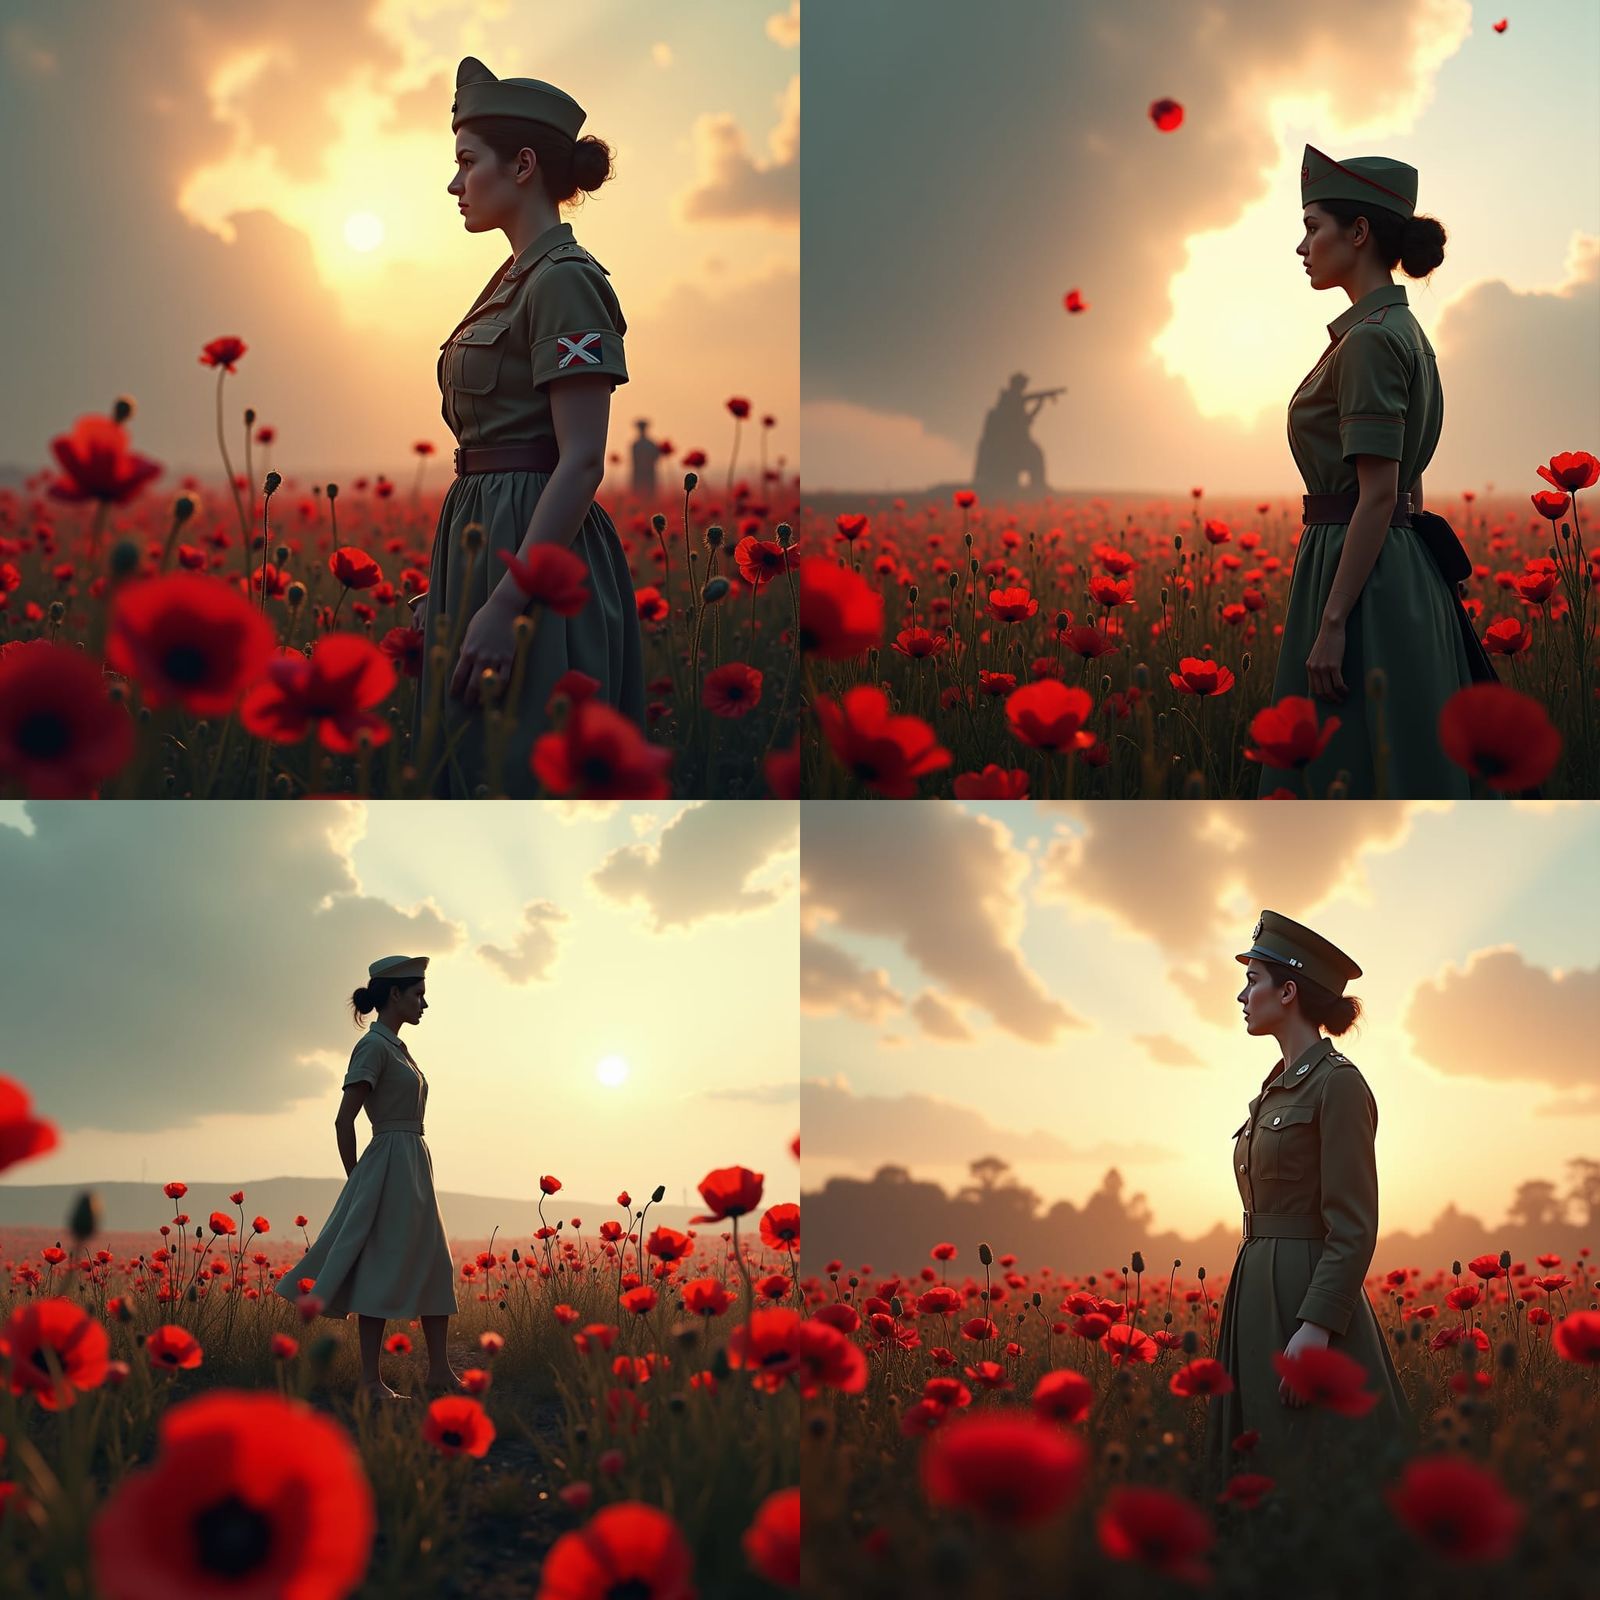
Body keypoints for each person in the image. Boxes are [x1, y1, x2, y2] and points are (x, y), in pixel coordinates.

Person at [409, 55, 647, 797]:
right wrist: (453, 587)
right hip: (486, 542)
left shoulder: (565, 281)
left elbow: (579, 461)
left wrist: (506, 600)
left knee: (521, 767)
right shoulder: (511, 277)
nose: (454, 184)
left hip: (535, 558)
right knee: (463, 762)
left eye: (465, 162)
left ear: (520, 166)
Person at [1261, 144, 1474, 797]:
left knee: (1347, 760)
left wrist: (1332, 624)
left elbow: (1379, 494)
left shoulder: (1372, 340)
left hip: (1362, 575)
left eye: (1312, 227)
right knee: (1400, 752)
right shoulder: (1400, 330)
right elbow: (1407, 487)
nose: (1302, 247)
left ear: (1357, 233)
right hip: (1394, 568)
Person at [1202, 911, 1413, 1497]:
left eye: (1254, 981)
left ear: (1288, 991)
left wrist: (1317, 1325)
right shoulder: (1276, 1085)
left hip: (1304, 1298)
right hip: (1255, 1285)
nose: (1242, 995)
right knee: (1257, 1457)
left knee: (1318, 1467)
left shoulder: (1338, 1084)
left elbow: (1353, 1225)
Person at [272, 956, 462, 1401]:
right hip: (388, 1165)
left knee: (437, 1261)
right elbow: (344, 1120)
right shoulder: (373, 1047)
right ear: (394, 995)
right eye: (418, 994)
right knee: (379, 1265)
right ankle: (370, 1381)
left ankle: (440, 1371)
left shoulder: (396, 1046)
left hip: (414, 1161)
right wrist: (358, 1179)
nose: (424, 1003)